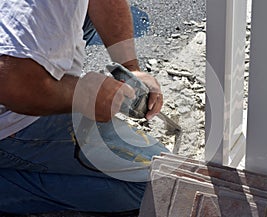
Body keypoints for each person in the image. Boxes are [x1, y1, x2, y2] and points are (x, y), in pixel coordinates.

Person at [0, 0, 168, 215]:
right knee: (157, 185)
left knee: (81, 15)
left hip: (16, 75)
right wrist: (80, 95)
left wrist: (130, 68)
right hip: (13, 103)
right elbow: (12, 83)